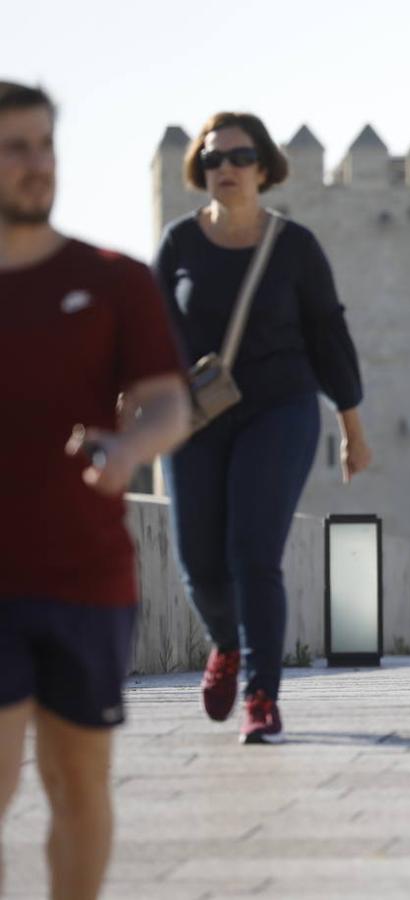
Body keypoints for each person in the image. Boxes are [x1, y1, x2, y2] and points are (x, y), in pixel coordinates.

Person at [0, 81, 191, 898]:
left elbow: (166, 400)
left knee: (79, 786)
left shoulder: (112, 280)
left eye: (44, 145)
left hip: (86, 576)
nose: (37, 165)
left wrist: (130, 445)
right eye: (15, 148)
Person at [154, 111, 371, 743]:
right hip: (196, 416)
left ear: (264, 167)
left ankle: (261, 695)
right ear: (200, 169)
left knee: (253, 553)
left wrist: (352, 426)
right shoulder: (177, 245)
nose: (226, 168)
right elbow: (148, 332)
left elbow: (329, 336)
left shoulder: (294, 246)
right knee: (198, 561)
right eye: (214, 158)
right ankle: (225, 642)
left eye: (240, 157)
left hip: (281, 409)